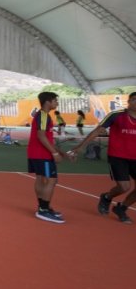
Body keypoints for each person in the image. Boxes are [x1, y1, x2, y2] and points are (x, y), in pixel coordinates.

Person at [69, 92, 136, 224]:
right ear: (128, 102)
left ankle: (121, 208)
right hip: (118, 156)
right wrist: (81, 147)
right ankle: (106, 197)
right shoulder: (116, 115)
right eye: (134, 99)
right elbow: (97, 130)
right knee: (124, 187)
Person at [28, 91, 68, 224]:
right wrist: (54, 153)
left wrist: (61, 152)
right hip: (42, 154)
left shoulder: (43, 116)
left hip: (36, 153)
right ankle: (43, 210)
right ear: (47, 102)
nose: (57, 103)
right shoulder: (44, 115)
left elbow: (47, 138)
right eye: (55, 100)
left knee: (41, 179)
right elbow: (41, 136)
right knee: (51, 180)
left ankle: (42, 207)